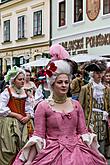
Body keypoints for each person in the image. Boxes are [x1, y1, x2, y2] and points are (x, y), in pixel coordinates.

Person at [13, 45, 107, 165]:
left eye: (66, 82)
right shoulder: (43, 106)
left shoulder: (76, 105)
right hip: (52, 153)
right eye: (60, 82)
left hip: (78, 152)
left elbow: (83, 132)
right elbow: (38, 136)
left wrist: (97, 153)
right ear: (52, 84)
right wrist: (30, 160)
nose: (64, 85)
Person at [0, 66, 34, 165]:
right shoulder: (7, 92)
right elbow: (1, 108)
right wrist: (16, 115)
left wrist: (28, 116)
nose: (23, 81)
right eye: (20, 79)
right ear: (13, 80)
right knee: (9, 148)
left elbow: (29, 107)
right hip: (9, 123)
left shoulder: (25, 93)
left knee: (26, 146)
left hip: (24, 123)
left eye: (23, 79)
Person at [79, 60, 110, 158]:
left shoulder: (106, 89)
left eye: (101, 73)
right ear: (92, 74)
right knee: (91, 140)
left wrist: (107, 113)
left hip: (102, 118)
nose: (99, 75)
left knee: (103, 140)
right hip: (90, 118)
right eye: (97, 73)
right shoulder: (85, 88)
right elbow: (80, 106)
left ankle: (102, 159)